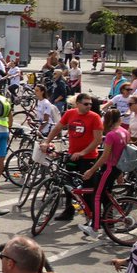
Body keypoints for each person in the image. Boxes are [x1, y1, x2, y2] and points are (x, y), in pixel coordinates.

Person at [41, 93, 102, 222]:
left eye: (90, 104)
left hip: (88, 157)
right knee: (68, 185)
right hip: (72, 155)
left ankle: (91, 217)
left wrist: (83, 153)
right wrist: (47, 141)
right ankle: (69, 211)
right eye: (86, 104)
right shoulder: (70, 113)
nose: (89, 106)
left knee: (88, 188)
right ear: (78, 104)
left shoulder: (95, 117)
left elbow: (97, 140)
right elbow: (58, 128)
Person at [78, 108, 127, 238]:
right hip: (117, 168)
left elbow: (105, 157)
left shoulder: (111, 135)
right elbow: (123, 155)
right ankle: (110, 226)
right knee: (107, 196)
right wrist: (120, 174)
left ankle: (95, 227)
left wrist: (91, 170)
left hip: (109, 168)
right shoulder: (125, 132)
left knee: (97, 196)